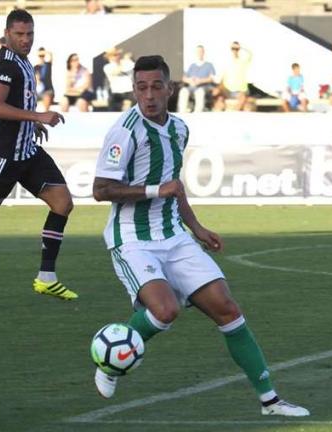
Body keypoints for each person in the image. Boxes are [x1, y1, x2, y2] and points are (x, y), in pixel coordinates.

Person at [91, 55, 309, 416]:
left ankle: (270, 401)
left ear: (170, 88)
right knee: (165, 310)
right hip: (132, 239)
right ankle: (109, 359)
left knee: (228, 308)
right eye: (142, 87)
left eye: (156, 86)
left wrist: (197, 228)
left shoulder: (179, 128)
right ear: (134, 90)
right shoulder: (124, 131)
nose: (149, 95)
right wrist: (153, 191)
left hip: (174, 236)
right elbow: (100, 189)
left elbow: (174, 187)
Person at [0, 9, 77, 300]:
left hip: (28, 152)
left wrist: (31, 123)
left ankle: (46, 277)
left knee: (62, 203)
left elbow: (13, 102)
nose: (26, 40)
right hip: (6, 156)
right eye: (20, 34)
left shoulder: (23, 61)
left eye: (30, 34)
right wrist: (37, 115)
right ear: (8, 33)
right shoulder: (6, 62)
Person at [213, 41, 252, 112]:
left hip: (240, 90)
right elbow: (222, 76)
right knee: (218, 100)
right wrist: (219, 88)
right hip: (228, 90)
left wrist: (241, 47)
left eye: (236, 49)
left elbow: (250, 53)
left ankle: (235, 114)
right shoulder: (226, 61)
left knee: (242, 98)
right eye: (233, 48)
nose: (234, 50)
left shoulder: (243, 61)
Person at [177, 45, 216, 113]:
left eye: (201, 51)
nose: (199, 53)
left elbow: (211, 78)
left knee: (199, 92)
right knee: (183, 91)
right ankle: (182, 114)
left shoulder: (209, 65)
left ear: (203, 52)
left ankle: (197, 114)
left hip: (203, 87)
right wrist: (190, 80)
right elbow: (184, 78)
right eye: (198, 51)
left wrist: (200, 81)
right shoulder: (192, 66)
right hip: (191, 86)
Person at [103, 47, 135, 111]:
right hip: (116, 92)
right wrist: (126, 59)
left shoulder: (127, 62)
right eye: (113, 55)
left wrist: (128, 60)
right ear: (109, 57)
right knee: (112, 102)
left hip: (130, 91)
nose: (116, 57)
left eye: (117, 54)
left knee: (137, 99)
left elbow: (133, 66)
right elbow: (117, 71)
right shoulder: (107, 67)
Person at [34, 47, 54, 112]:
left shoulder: (48, 65)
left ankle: (46, 113)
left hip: (48, 90)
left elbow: (50, 55)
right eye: (40, 56)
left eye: (43, 56)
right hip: (38, 91)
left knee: (47, 96)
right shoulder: (35, 67)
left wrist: (42, 52)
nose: (41, 57)